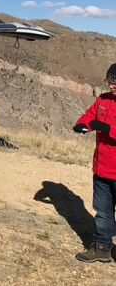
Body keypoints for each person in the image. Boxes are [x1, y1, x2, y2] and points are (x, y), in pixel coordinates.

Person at [73, 62, 116, 263]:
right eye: (110, 82)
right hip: (102, 167)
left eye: (115, 83)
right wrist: (82, 124)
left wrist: (106, 129)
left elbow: (103, 126)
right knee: (103, 212)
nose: (112, 86)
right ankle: (102, 248)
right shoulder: (103, 100)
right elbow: (90, 116)